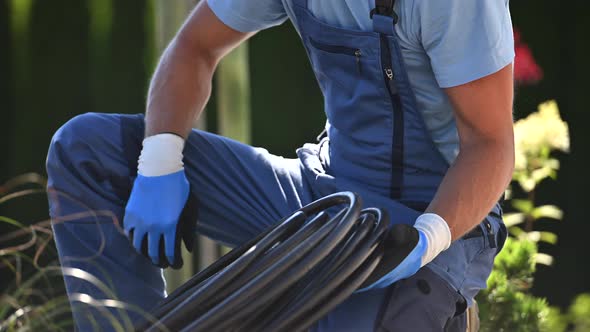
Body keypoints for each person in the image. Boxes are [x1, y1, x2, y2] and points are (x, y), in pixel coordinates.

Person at [46, 0, 515, 330]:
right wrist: (158, 161)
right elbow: (195, 48)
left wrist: (425, 239)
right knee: (90, 151)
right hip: (326, 198)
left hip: (432, 218)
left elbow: (490, 145)